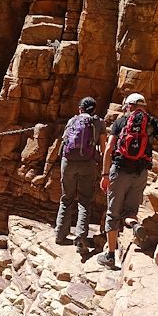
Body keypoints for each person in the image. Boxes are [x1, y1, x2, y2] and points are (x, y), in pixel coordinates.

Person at [97, 93, 158, 267]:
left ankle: (110, 256)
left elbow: (109, 149)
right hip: (140, 173)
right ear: (143, 106)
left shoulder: (121, 121)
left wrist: (104, 175)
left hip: (119, 171)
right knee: (130, 210)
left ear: (130, 106)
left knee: (113, 213)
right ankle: (133, 225)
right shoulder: (152, 122)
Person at [55, 96, 107, 253]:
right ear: (94, 110)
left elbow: (64, 142)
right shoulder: (99, 123)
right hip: (87, 164)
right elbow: (104, 148)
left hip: (68, 162)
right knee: (84, 201)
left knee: (66, 199)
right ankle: (80, 239)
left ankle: (60, 235)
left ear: (80, 109)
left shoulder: (72, 120)